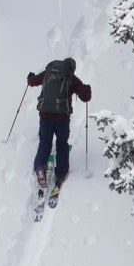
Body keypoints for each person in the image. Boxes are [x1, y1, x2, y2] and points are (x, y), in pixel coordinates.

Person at [26, 57, 91, 192]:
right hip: (62, 118)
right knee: (62, 144)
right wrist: (87, 89)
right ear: (72, 68)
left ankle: (40, 167)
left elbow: (31, 82)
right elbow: (85, 97)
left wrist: (30, 77)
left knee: (45, 142)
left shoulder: (48, 73)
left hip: (45, 115)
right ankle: (60, 174)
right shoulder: (72, 78)